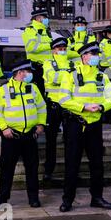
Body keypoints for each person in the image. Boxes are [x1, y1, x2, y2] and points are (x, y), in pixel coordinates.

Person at [57, 41, 111, 212]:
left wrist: (102, 107)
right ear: (84, 57)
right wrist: (83, 107)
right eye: (93, 54)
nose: (97, 57)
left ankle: (97, 198)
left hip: (94, 125)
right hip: (75, 124)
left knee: (97, 164)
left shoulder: (102, 76)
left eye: (97, 54)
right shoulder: (71, 75)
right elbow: (63, 99)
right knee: (72, 163)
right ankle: (67, 200)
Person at [0, 60, 47, 208]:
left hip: (30, 135)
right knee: (7, 169)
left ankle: (33, 198)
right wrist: (4, 128)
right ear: (20, 72)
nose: (30, 74)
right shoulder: (3, 89)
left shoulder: (33, 88)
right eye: (28, 71)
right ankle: (2, 199)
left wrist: (41, 124)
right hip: (11, 136)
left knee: (32, 168)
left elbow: (41, 107)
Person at [42, 37, 76, 181]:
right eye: (59, 49)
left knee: (71, 140)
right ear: (53, 50)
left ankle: (71, 170)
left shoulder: (71, 63)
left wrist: (66, 77)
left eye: (64, 49)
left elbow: (75, 80)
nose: (62, 51)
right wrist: (67, 76)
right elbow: (54, 78)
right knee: (51, 140)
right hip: (54, 105)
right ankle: (49, 170)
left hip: (68, 105)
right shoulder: (48, 63)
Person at [21, 9, 53, 95]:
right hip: (37, 68)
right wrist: (50, 46)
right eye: (45, 17)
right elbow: (31, 48)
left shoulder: (46, 31)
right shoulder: (30, 30)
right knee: (39, 93)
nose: (47, 19)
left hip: (48, 68)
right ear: (38, 18)